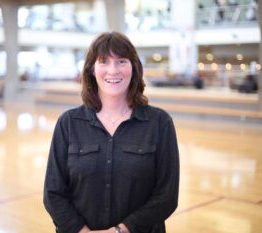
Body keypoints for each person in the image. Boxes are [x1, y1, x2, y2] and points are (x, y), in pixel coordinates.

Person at [43, 31, 180, 233]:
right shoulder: (69, 123)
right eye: (104, 61)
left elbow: (166, 196)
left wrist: (120, 231)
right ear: (91, 69)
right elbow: (53, 193)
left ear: (134, 68)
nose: (113, 70)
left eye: (122, 61)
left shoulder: (159, 123)